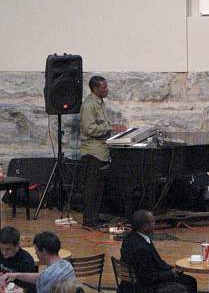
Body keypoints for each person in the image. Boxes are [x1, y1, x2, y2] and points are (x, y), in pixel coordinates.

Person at [79, 75, 126, 228]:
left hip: (102, 150)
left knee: (99, 188)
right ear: (94, 89)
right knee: (92, 188)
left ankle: (95, 217)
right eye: (103, 87)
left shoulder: (99, 103)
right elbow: (89, 129)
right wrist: (111, 128)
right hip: (93, 152)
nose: (106, 90)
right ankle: (89, 221)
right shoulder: (89, 105)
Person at [120, 210, 196, 293]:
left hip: (137, 281)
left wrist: (170, 268)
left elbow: (157, 262)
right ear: (145, 226)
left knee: (188, 280)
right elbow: (149, 277)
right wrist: (170, 273)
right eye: (153, 222)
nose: (155, 225)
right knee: (188, 283)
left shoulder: (130, 238)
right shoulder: (141, 249)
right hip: (144, 287)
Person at [0, 232, 74, 293]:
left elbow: (46, 278)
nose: (35, 253)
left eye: (36, 250)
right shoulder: (66, 265)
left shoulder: (51, 275)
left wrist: (22, 291)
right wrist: (16, 275)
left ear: (44, 251)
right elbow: (42, 276)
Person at [0, 227, 36, 293]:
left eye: (8, 249)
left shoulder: (26, 261)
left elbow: (32, 287)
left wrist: (23, 290)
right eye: (1, 248)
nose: (4, 252)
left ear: (18, 245)